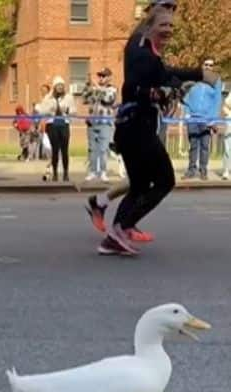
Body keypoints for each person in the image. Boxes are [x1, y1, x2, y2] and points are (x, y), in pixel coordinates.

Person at [96, 6, 217, 256]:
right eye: (163, 25)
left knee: (140, 184)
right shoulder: (142, 55)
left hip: (134, 125)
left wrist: (174, 88)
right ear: (149, 27)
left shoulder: (148, 53)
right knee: (165, 179)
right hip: (136, 127)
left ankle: (116, 233)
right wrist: (160, 90)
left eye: (172, 26)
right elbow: (135, 85)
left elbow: (165, 75)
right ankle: (118, 228)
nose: (169, 30)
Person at [85, 0, 178, 239]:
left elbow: (159, 75)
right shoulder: (140, 40)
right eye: (165, 8)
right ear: (152, 11)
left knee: (141, 179)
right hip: (135, 121)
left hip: (144, 117)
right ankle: (118, 224)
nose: (170, 15)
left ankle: (112, 213)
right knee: (152, 179)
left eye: (173, 10)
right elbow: (138, 81)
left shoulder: (151, 40)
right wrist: (158, 90)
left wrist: (168, 91)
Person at [182, 59, 223, 181]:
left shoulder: (216, 80)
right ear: (202, 66)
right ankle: (191, 170)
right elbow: (186, 98)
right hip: (193, 118)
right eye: (206, 65)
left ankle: (203, 170)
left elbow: (217, 101)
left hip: (207, 119)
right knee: (193, 145)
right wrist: (187, 113)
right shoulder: (195, 80)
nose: (208, 67)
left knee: (205, 145)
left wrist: (212, 119)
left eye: (211, 65)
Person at [36, 77, 75, 182]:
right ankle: (55, 173)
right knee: (55, 150)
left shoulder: (68, 97)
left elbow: (73, 111)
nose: (60, 87)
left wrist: (67, 110)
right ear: (54, 87)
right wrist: (49, 109)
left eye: (62, 85)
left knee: (65, 150)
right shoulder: (48, 98)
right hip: (52, 125)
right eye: (58, 85)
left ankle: (66, 173)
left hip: (64, 124)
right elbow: (41, 111)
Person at [83, 68, 118, 182]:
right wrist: (88, 85)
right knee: (92, 148)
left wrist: (97, 88)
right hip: (92, 122)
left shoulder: (112, 89)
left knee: (103, 149)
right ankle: (92, 171)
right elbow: (85, 99)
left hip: (105, 123)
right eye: (100, 76)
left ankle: (103, 172)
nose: (101, 78)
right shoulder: (94, 89)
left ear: (109, 77)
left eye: (104, 76)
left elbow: (108, 99)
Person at [222, 90, 231, 180]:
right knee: (228, 149)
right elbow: (225, 106)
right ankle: (226, 171)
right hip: (230, 123)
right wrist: (228, 114)